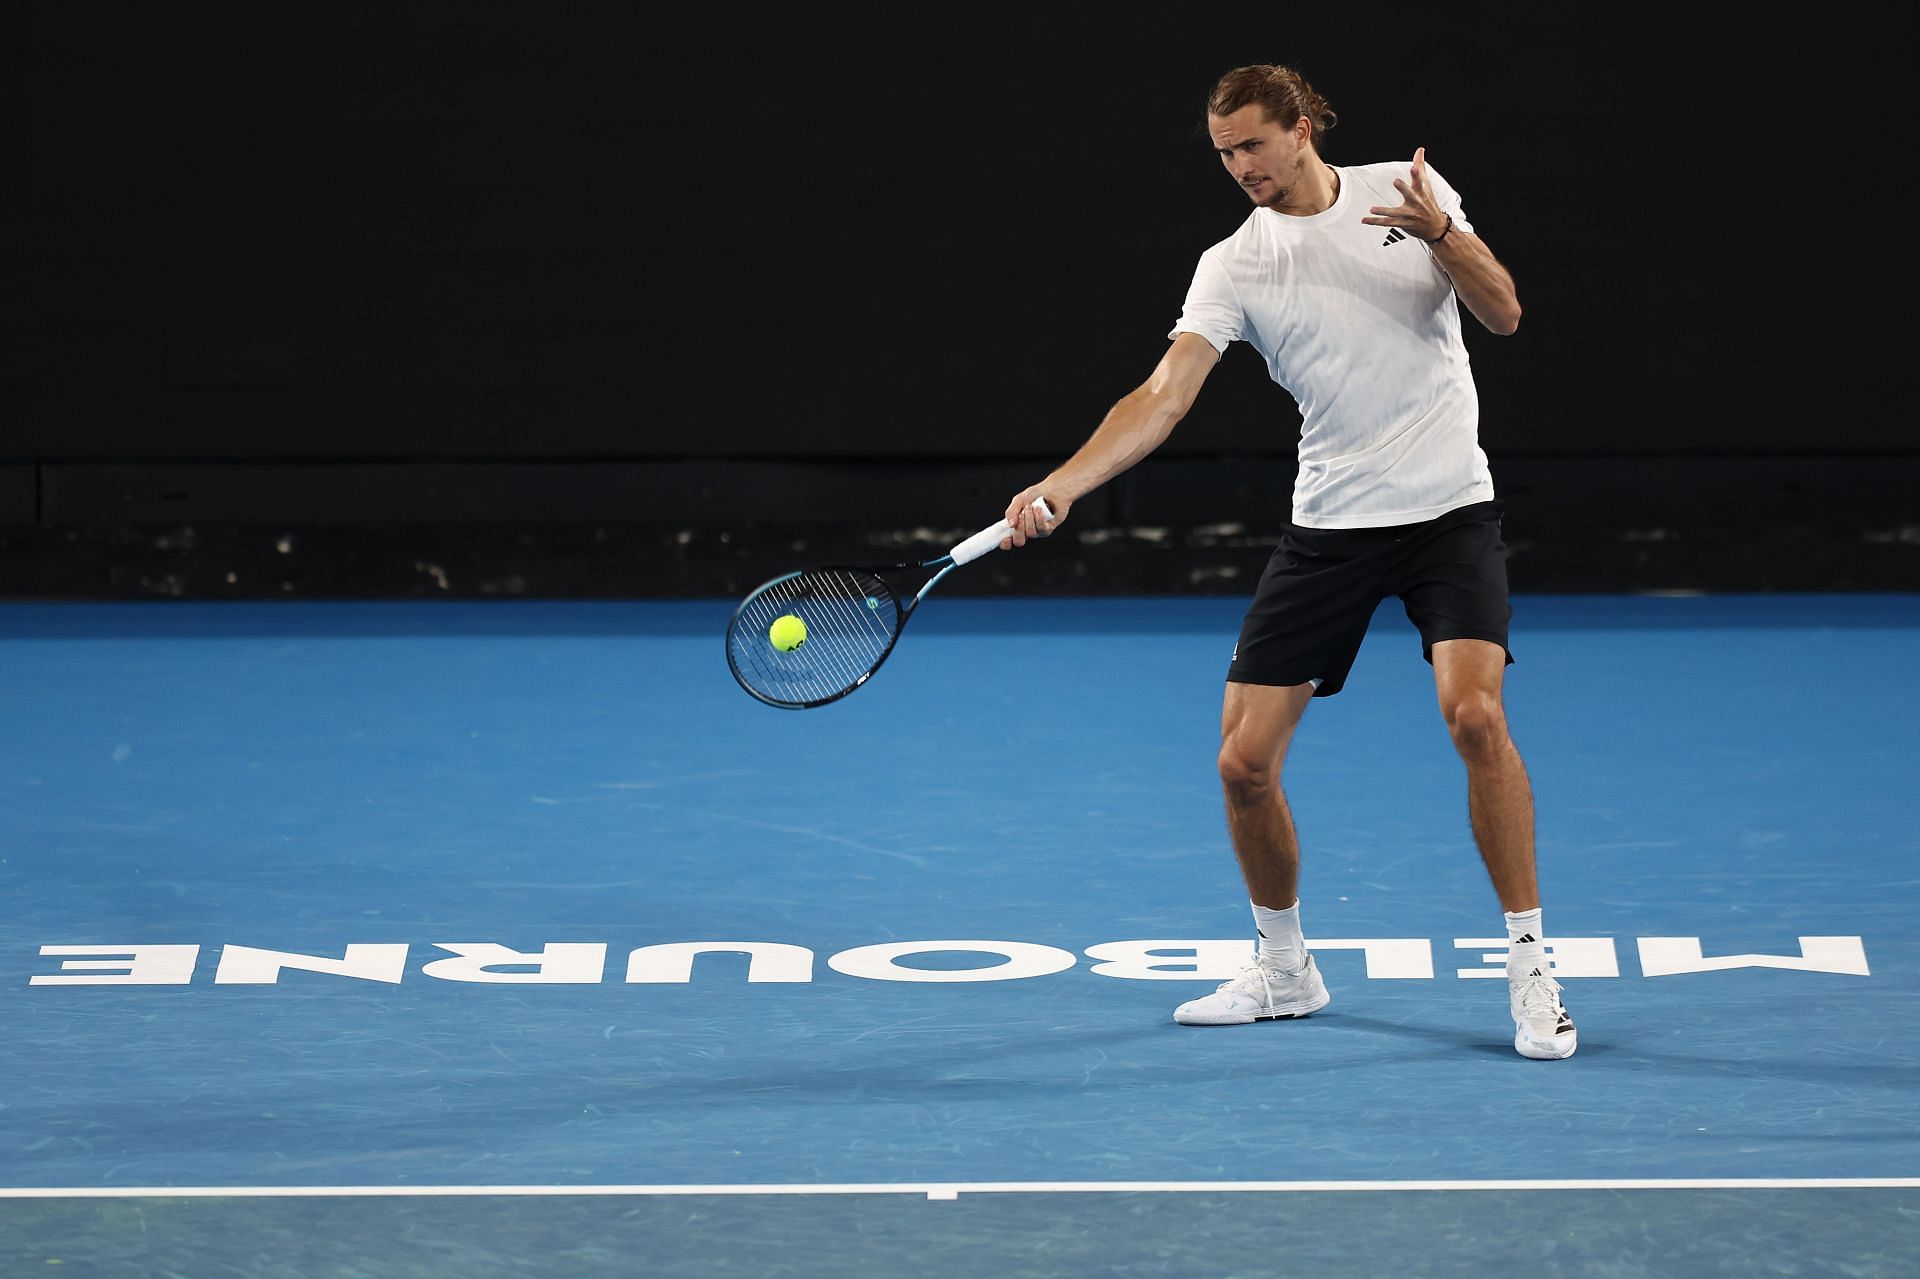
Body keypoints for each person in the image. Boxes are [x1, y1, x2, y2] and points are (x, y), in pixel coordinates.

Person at [998, 63, 1575, 1060]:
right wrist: (1066, 483)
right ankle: (1284, 966)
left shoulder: (1408, 189)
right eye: (1224, 155)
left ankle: (1530, 966)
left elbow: (1505, 313)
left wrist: (1441, 229)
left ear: (1301, 129)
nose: (1240, 168)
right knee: (1244, 762)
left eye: (1253, 145)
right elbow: (1164, 394)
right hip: (1332, 525)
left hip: (1448, 511)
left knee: (1476, 715)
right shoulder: (1234, 263)